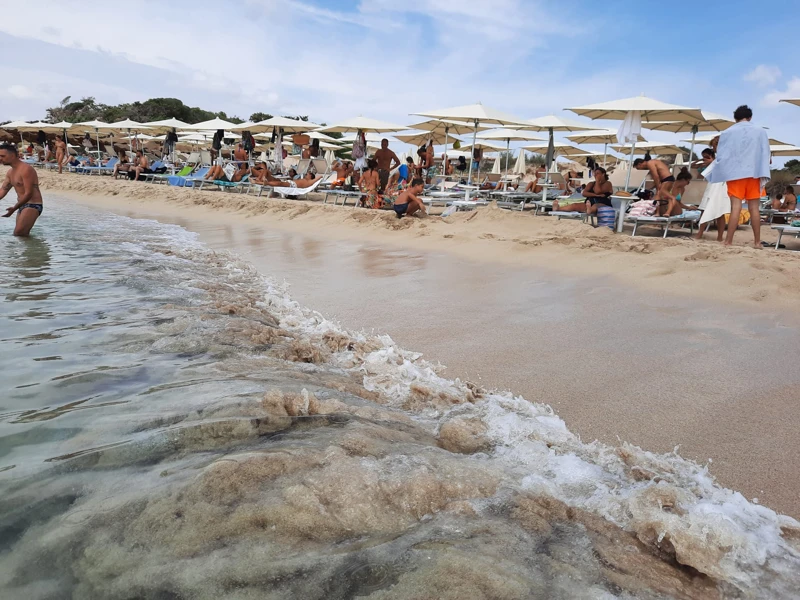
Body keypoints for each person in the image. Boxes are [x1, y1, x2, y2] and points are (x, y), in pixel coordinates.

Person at [705, 105, 771, 247]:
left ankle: (728, 241)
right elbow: (766, 154)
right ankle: (757, 242)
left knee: (735, 207)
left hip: (735, 174)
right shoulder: (760, 131)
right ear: (750, 117)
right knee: (754, 208)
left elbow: (722, 155)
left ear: (735, 119)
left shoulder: (727, 133)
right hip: (755, 173)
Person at [0, 143, 43, 237]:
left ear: (12, 155)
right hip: (22, 205)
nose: (0, 158)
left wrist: (14, 209)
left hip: (33, 205)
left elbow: (29, 194)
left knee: (19, 233)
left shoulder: (26, 169)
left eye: (3, 156)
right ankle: (30, 250)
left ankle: (34, 250)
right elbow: (2, 191)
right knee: (21, 236)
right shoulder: (10, 172)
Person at [695, 145, 729, 241]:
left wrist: (712, 163)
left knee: (720, 212)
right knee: (703, 209)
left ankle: (719, 236)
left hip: (720, 186)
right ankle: (700, 232)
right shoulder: (713, 162)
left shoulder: (723, 158)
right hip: (711, 185)